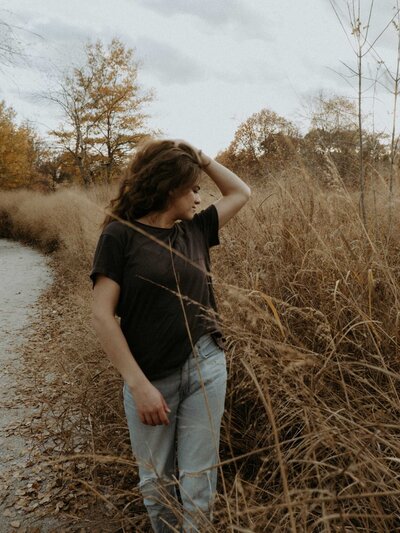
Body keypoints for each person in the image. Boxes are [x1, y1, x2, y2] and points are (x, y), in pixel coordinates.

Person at [90, 138, 251, 532]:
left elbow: (241, 192)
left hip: (206, 366)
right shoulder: (119, 236)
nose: (199, 197)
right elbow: (103, 315)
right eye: (193, 187)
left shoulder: (195, 231)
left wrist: (200, 157)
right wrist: (138, 385)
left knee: (199, 484)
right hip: (149, 376)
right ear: (169, 187)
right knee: (157, 485)